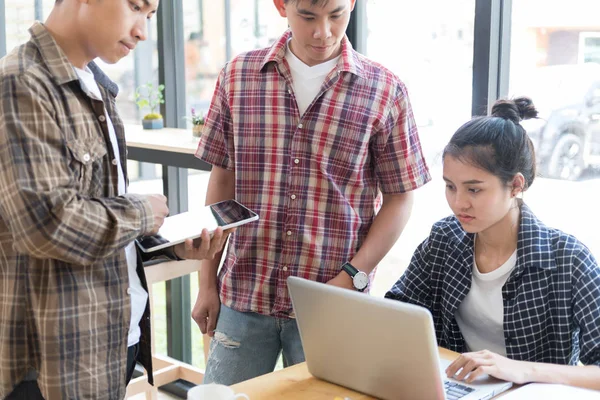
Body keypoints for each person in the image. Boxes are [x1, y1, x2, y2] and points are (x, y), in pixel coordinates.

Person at [192, 0, 431, 385]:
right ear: (281, 5)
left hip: (332, 302)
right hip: (244, 291)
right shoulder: (238, 76)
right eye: (308, 16)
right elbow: (223, 181)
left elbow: (401, 197)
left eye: (337, 14)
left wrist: (354, 274)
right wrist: (206, 282)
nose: (324, 32)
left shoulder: (386, 90)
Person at [0, 1, 227, 398]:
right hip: (55, 359)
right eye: (136, 7)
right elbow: (45, 224)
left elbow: (95, 220)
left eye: (151, 16)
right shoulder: (20, 83)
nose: (142, 30)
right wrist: (142, 212)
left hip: (110, 342)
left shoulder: (96, 86)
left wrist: (168, 247)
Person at [386, 97, 600, 391]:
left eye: (474, 189)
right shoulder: (444, 240)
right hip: (456, 389)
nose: (458, 202)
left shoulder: (569, 259)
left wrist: (520, 370)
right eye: (450, 186)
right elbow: (397, 313)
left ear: (515, 185)